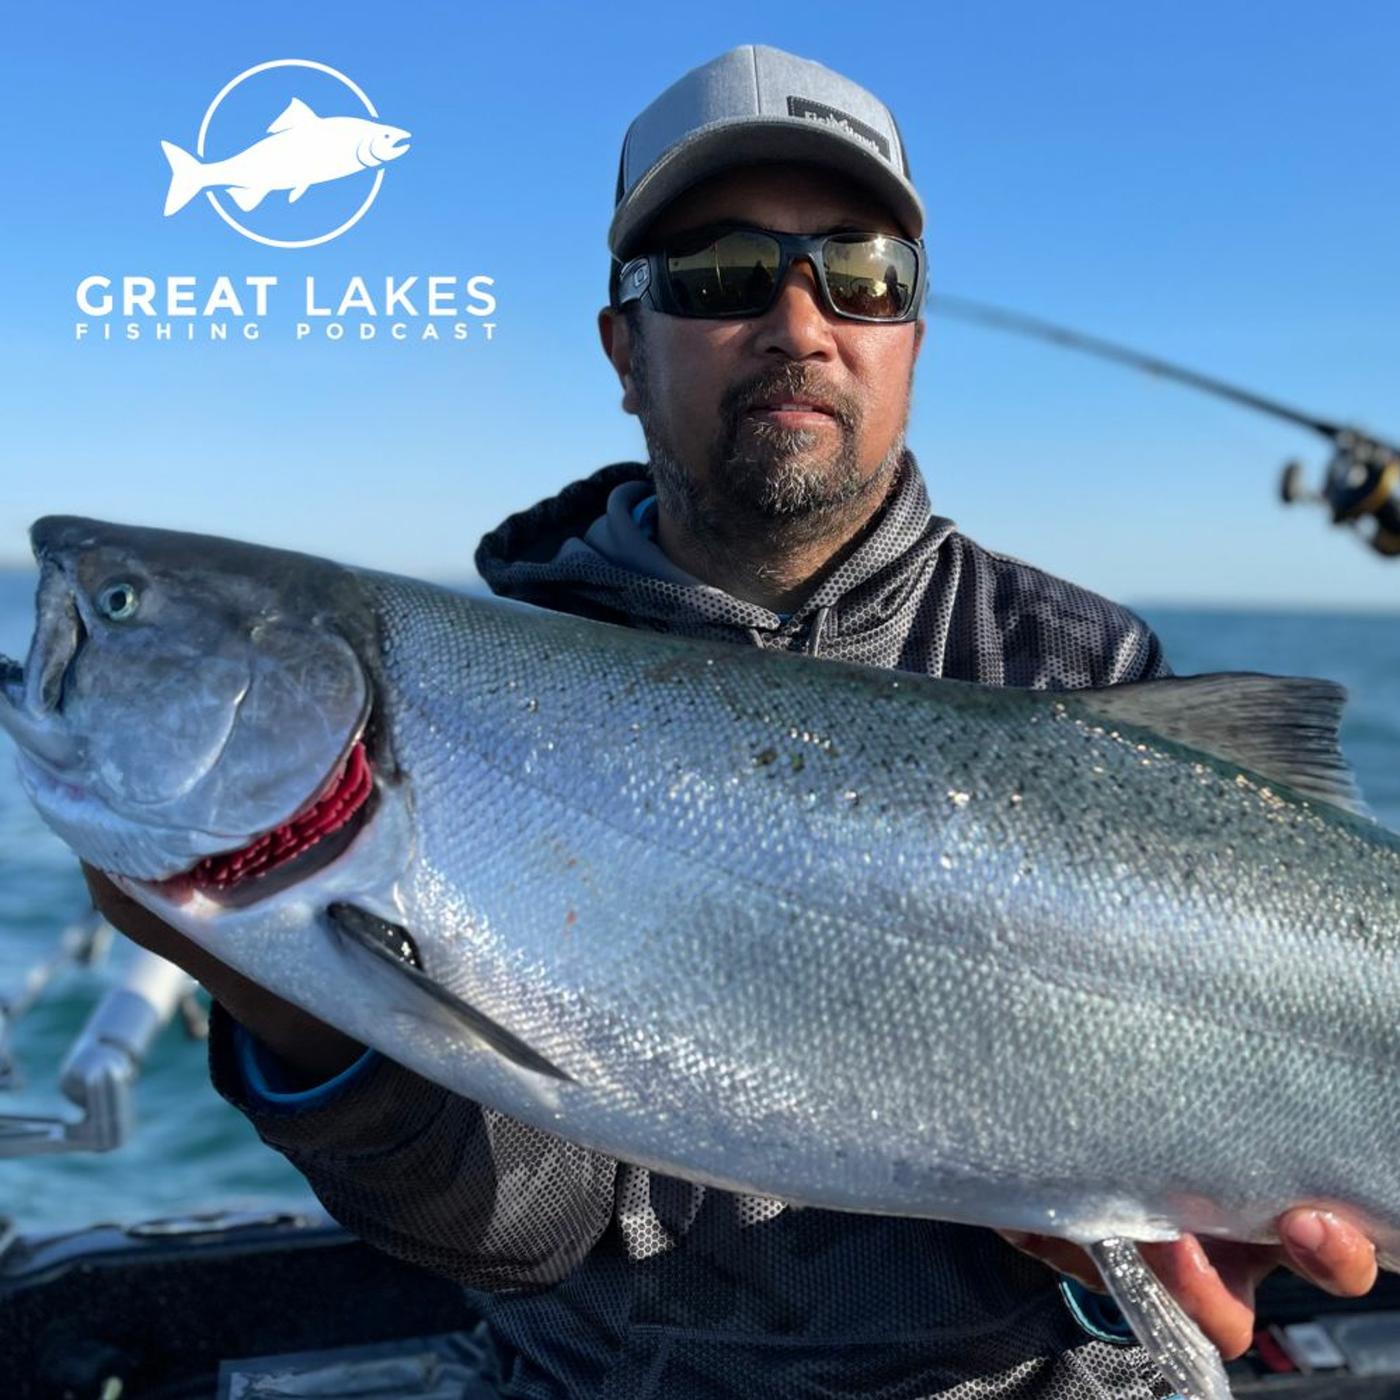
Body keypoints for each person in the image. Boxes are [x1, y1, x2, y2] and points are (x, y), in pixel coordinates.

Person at [88, 44, 1380, 1400]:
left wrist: (1127, 1272)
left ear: (909, 341)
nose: (800, 325)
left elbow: (1153, 1272)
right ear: (623, 349)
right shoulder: (510, 683)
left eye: (863, 276)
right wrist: (295, 1001)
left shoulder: (1077, 668)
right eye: (719, 278)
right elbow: (520, 1227)